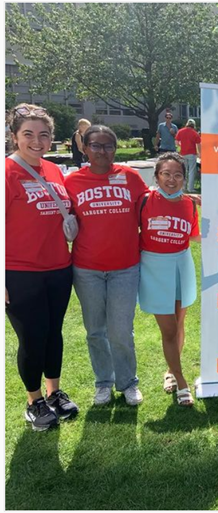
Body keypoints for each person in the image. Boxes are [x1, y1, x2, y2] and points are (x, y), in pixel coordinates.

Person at [5, 103, 79, 431]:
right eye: (28, 134)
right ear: (14, 137)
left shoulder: (53, 171)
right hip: (20, 272)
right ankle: (34, 400)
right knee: (32, 337)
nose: (37, 141)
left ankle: (53, 392)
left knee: (53, 333)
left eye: (44, 135)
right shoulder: (7, 173)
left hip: (58, 268)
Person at [64, 125, 149, 406]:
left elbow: (153, 204)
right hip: (87, 269)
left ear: (115, 149)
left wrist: (182, 199)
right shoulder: (72, 181)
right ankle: (103, 382)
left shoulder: (131, 178)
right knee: (95, 330)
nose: (102, 151)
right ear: (85, 148)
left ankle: (127, 382)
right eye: (96, 146)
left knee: (121, 330)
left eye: (108, 146)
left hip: (125, 267)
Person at [138, 152, 200, 406]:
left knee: (180, 323)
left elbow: (195, 236)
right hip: (154, 266)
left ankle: (170, 371)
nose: (171, 179)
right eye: (166, 174)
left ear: (184, 179)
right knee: (169, 328)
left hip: (181, 264)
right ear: (156, 176)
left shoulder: (190, 204)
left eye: (177, 175)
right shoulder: (143, 201)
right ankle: (181, 380)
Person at [175, 119, 201, 193]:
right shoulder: (195, 133)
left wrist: (181, 145)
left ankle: (183, 187)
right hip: (192, 154)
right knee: (192, 171)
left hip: (182, 154)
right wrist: (200, 153)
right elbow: (198, 144)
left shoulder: (180, 131)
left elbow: (176, 142)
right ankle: (190, 188)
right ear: (193, 125)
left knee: (184, 171)